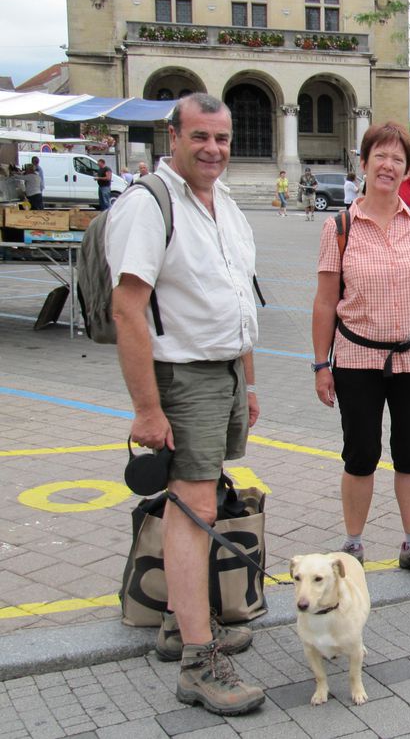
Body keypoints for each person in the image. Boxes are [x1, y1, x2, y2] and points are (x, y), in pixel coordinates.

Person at [106, 93, 264, 715]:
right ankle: (199, 662)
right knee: (195, 506)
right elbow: (128, 308)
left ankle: (181, 624)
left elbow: (239, 299)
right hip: (183, 375)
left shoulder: (224, 203)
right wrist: (148, 410)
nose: (213, 149)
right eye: (200, 136)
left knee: (197, 498)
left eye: (222, 138)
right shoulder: (150, 204)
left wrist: (247, 383)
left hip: (222, 371)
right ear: (173, 135)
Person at [311, 122, 410, 585]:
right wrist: (320, 364)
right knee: (360, 454)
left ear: (408, 167)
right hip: (356, 360)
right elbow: (325, 300)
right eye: (381, 157)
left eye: (398, 158)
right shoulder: (341, 226)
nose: (389, 166)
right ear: (365, 163)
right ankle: (352, 545)